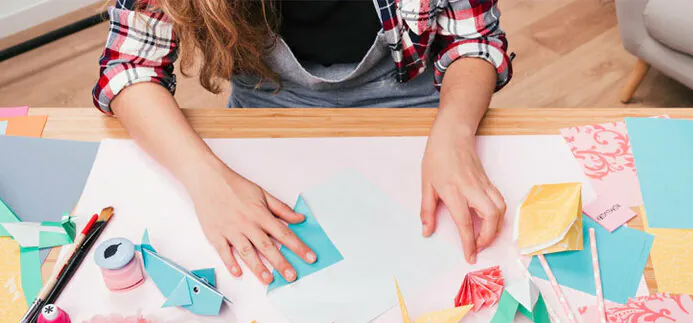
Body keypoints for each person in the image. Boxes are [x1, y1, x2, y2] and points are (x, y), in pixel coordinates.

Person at [94, 0, 513, 285]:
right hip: (269, 105)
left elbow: (473, 42)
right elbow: (128, 69)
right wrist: (207, 182)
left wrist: (454, 133)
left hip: (417, 103)